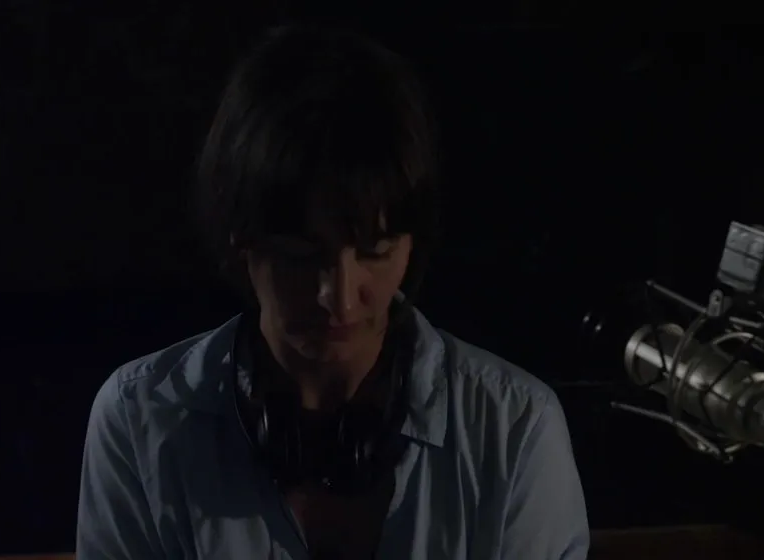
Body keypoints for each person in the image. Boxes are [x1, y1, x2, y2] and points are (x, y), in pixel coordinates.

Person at [75, 25, 589, 560]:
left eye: (375, 251)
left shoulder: (515, 430)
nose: (339, 299)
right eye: (301, 255)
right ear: (241, 239)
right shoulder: (138, 421)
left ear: (412, 243)